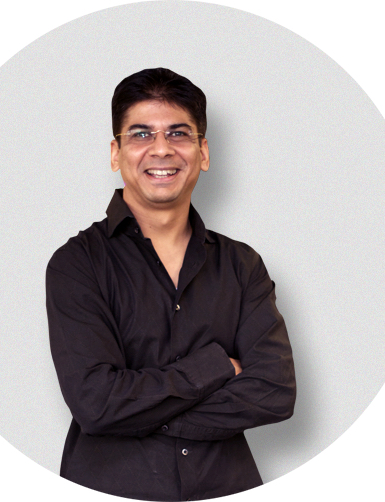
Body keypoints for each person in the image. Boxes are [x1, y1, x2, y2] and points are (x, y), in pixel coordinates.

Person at [46, 68, 296, 501]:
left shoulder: (242, 265)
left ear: (203, 152)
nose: (161, 149)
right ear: (115, 153)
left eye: (178, 133)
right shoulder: (77, 264)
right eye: (141, 134)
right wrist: (217, 367)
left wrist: (140, 416)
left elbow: (275, 391)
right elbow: (95, 404)